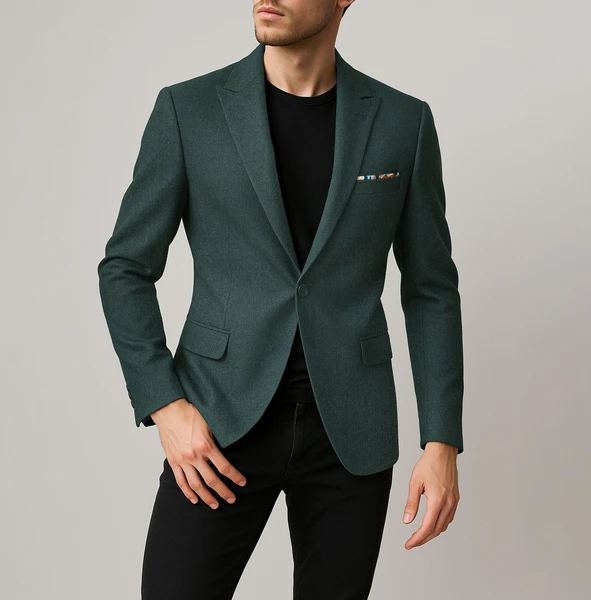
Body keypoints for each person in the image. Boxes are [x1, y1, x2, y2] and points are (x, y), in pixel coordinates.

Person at [97, 1, 464, 598]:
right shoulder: (189, 110)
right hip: (220, 421)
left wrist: (441, 440)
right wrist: (165, 405)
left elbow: (431, 290)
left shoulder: (402, 121)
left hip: (350, 430)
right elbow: (125, 268)